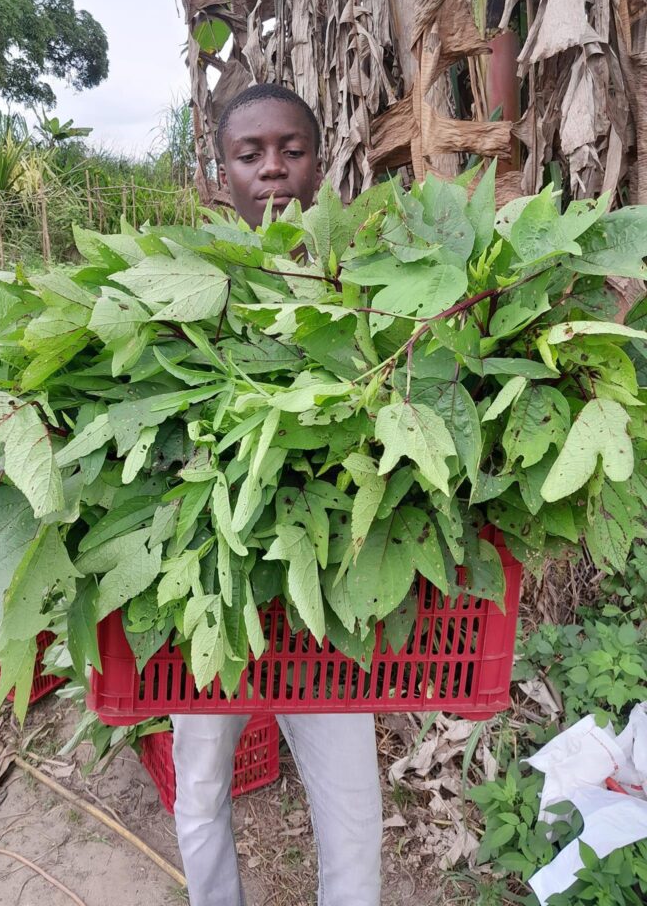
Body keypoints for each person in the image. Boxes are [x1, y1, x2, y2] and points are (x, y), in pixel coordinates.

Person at [171, 83, 383, 906]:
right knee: (200, 788)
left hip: (324, 588)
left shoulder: (359, 281)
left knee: (354, 811)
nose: (271, 169)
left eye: (291, 151)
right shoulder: (183, 286)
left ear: (319, 165)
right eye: (249, 154)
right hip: (209, 593)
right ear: (219, 173)